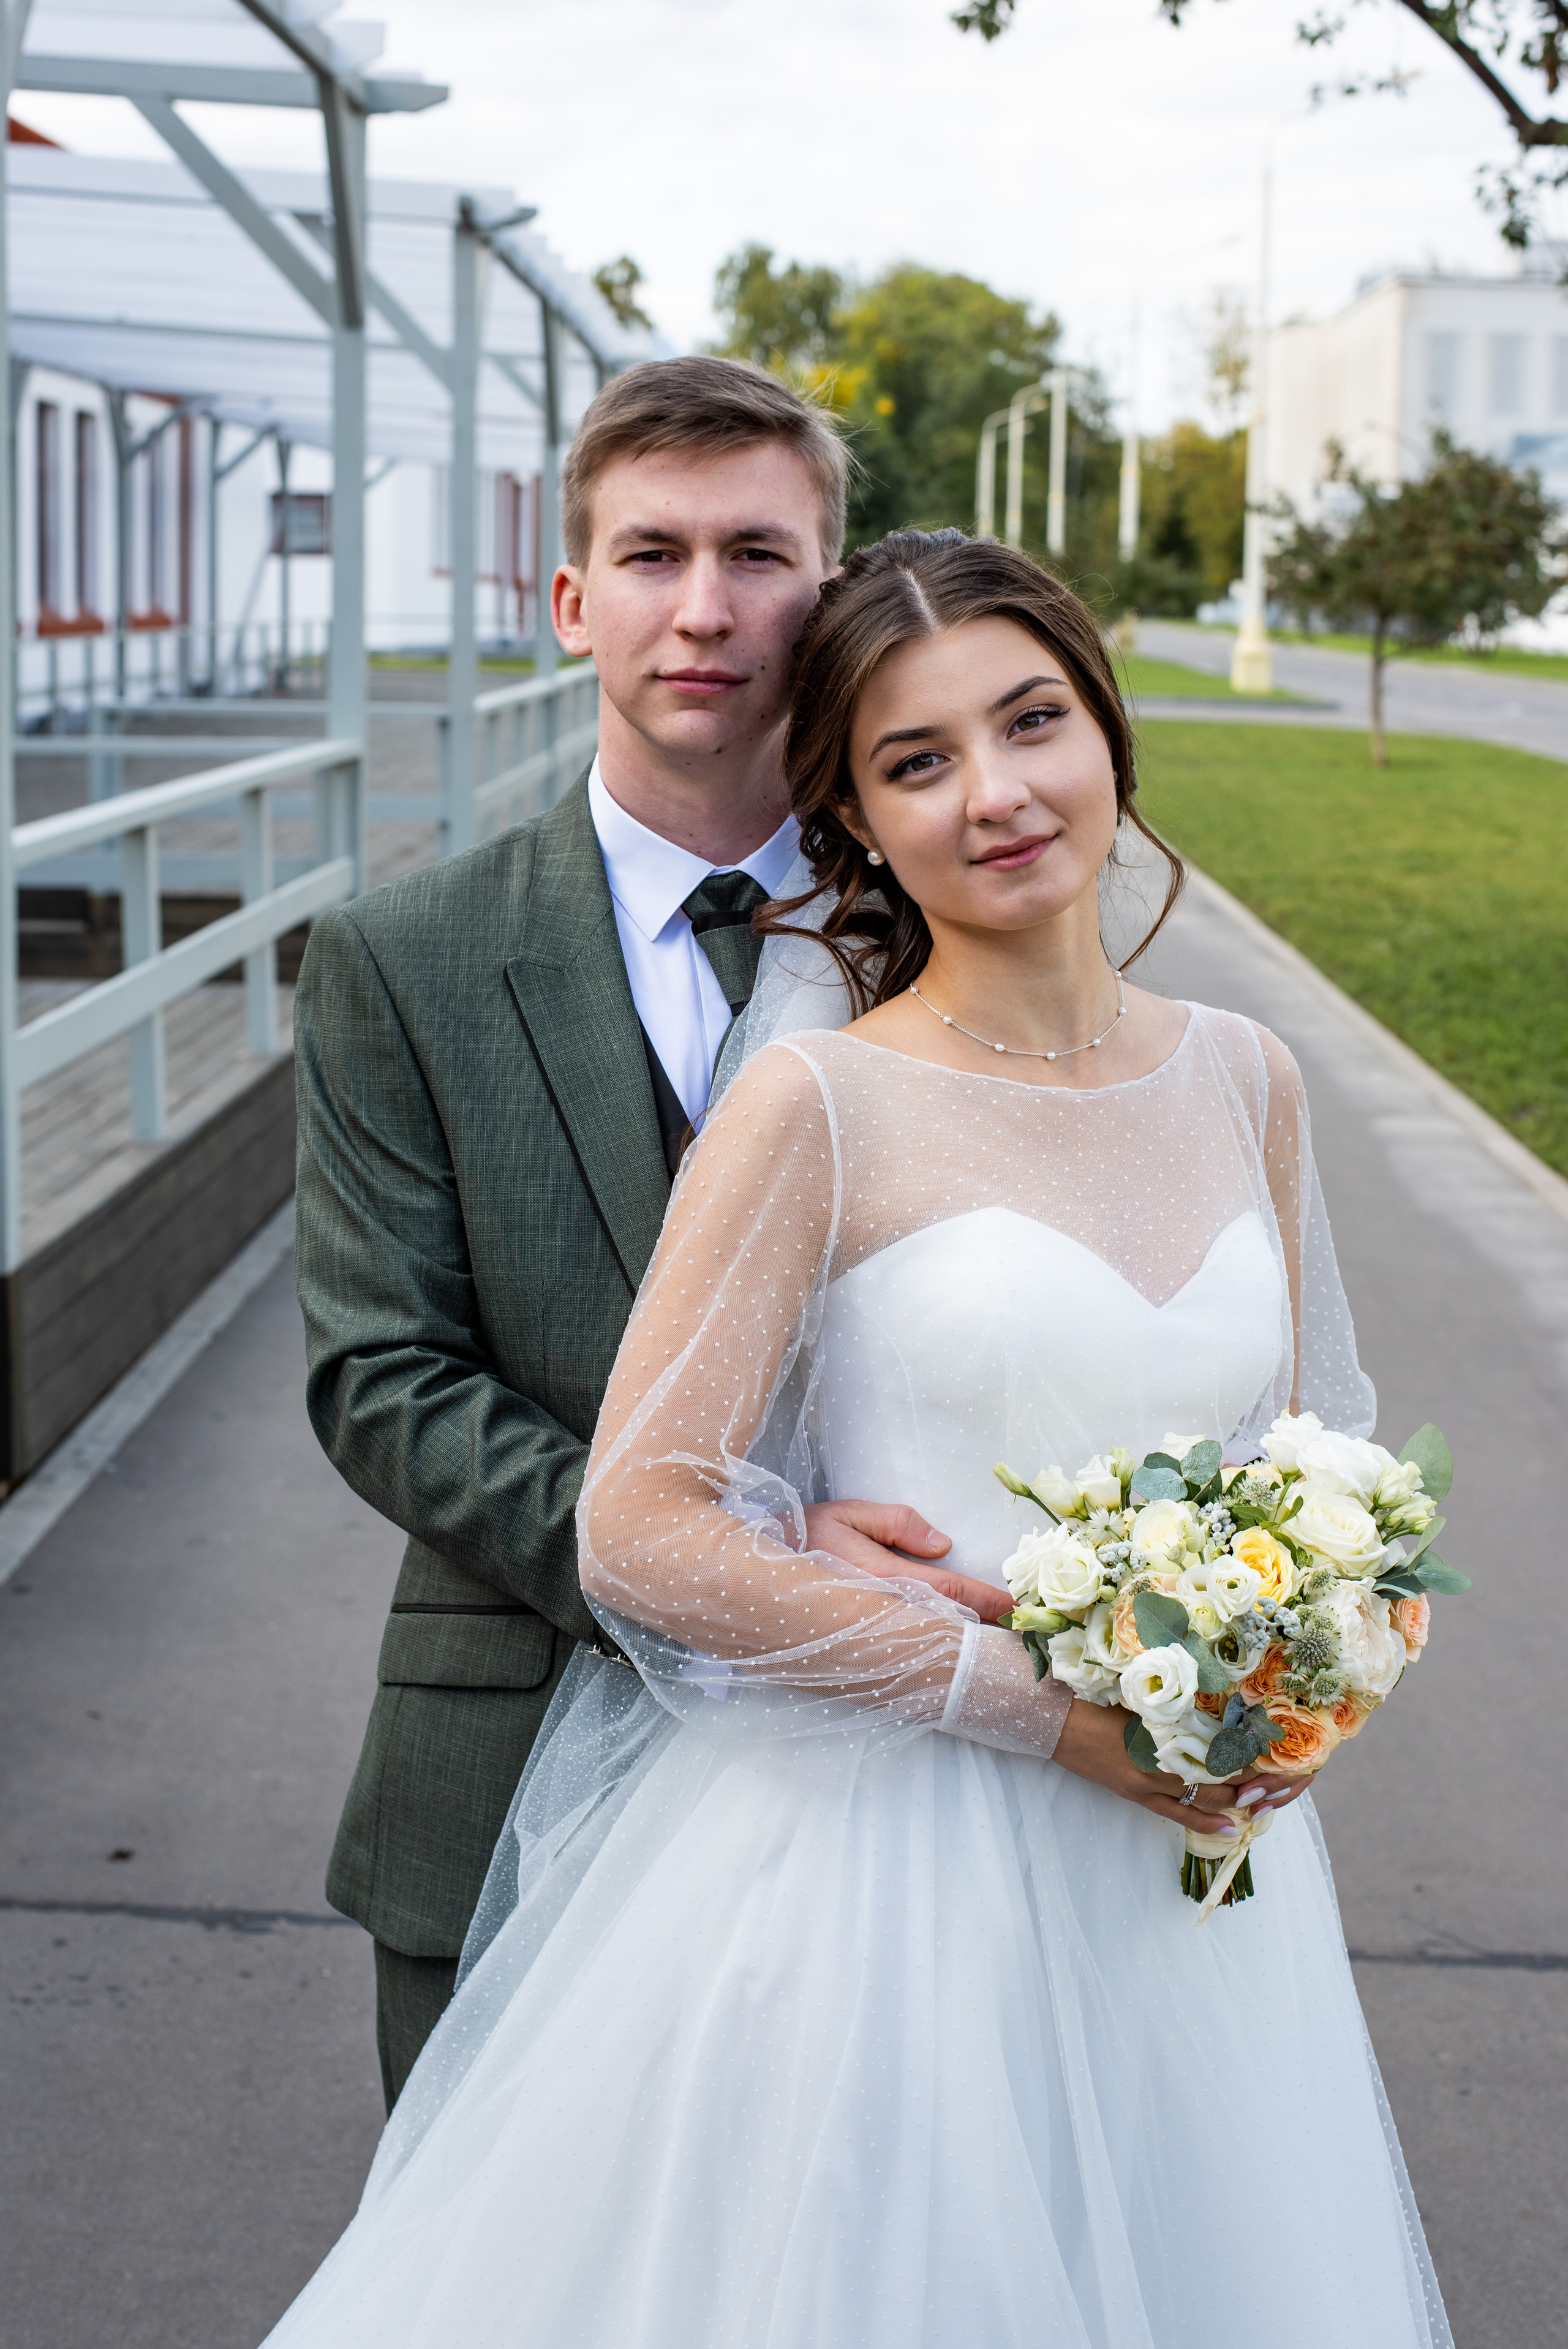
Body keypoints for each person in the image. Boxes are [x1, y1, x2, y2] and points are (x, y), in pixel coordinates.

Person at [267, 532, 1451, 2348]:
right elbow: (642, 1524)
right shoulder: (817, 1101)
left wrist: (1297, 1664)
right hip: (895, 1878)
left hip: (1188, 1871)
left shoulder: (1248, 1074)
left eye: (1032, 721)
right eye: (918, 761)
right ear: (856, 822)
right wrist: (1028, 1703)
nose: (997, 793)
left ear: (1107, 728)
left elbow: (1315, 1445)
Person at [293, 360, 991, 2111]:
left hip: (914, 1804)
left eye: (758, 554)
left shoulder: (954, 941)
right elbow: (383, 1378)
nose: (704, 609)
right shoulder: (403, 960)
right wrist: (738, 1571)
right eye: (652, 554)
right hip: (507, 1769)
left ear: (831, 590)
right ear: (570, 600)